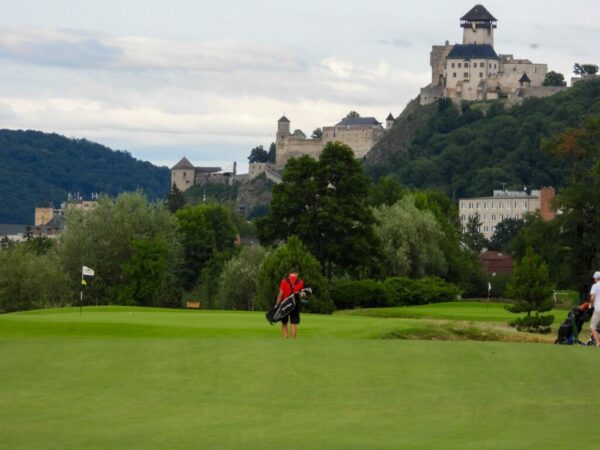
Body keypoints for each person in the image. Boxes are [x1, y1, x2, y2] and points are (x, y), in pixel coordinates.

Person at [275, 268, 305, 339]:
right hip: (295, 304)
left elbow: (280, 294)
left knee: (284, 323)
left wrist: (277, 305)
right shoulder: (300, 282)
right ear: (297, 274)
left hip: (285, 304)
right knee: (294, 323)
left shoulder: (284, 281)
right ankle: (293, 341)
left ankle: (286, 338)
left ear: (289, 274)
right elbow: (302, 294)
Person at [589, 271, 600, 347]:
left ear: (596, 278)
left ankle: (598, 343)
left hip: (598, 309)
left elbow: (592, 298)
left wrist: (591, 306)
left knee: (593, 327)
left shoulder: (595, 286)